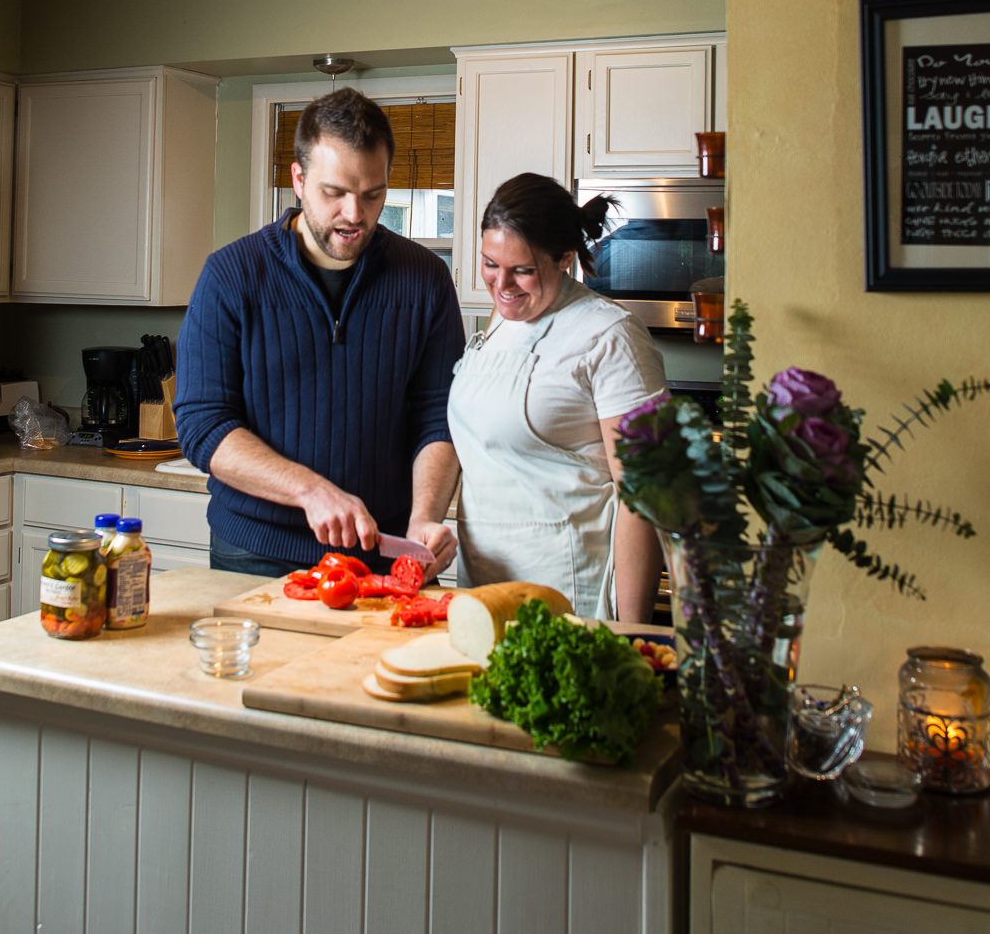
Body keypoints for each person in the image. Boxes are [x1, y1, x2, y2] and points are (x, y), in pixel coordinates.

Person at [174, 87, 464, 580]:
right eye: (335, 193)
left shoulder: (425, 279)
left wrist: (424, 518)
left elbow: (440, 416)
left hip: (386, 554)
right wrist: (309, 490)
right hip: (256, 554)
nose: (355, 214)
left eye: (373, 194)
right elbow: (204, 426)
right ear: (299, 181)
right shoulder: (231, 275)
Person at [447, 173, 667, 621]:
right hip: (483, 590)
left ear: (564, 258)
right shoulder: (501, 320)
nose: (502, 284)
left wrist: (630, 632)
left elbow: (643, 495)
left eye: (523, 270)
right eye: (490, 263)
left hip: (568, 595)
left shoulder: (611, 335)